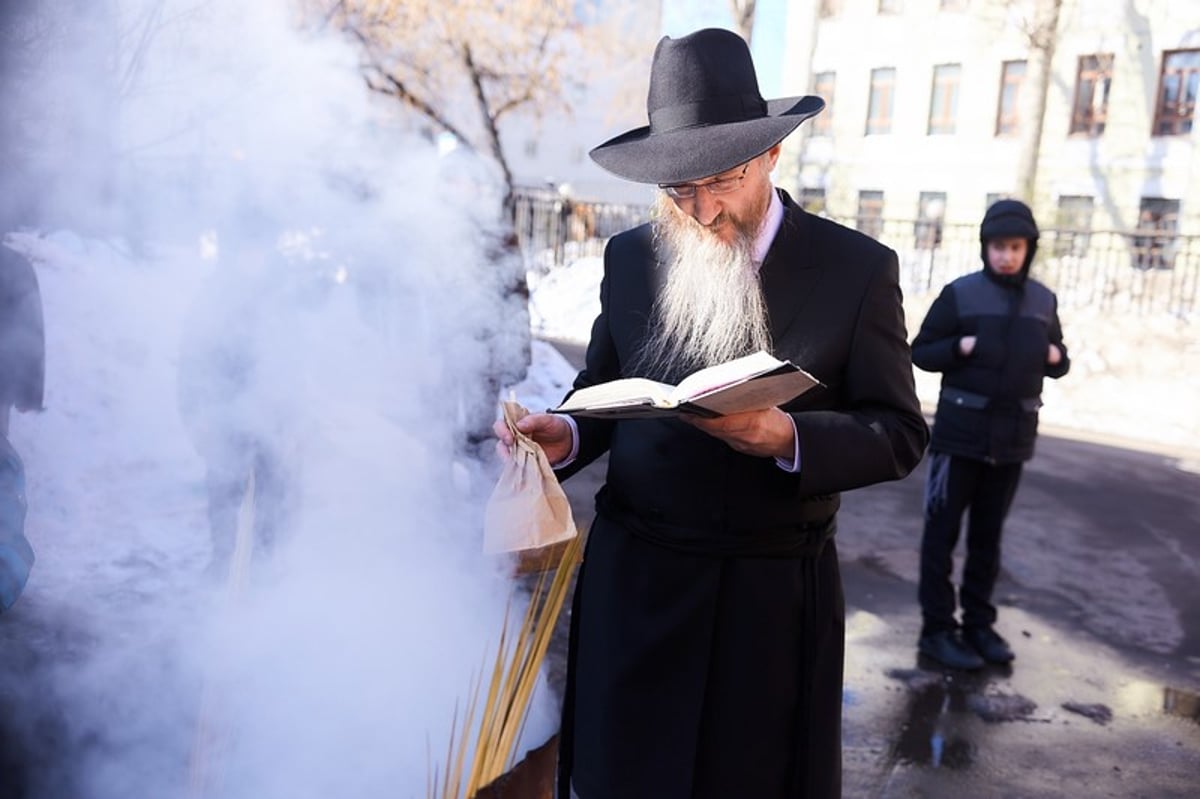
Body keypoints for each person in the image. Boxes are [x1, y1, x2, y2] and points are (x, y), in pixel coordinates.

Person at [494, 28, 928, 799]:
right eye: (677, 190)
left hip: (768, 600)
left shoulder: (856, 271)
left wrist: (786, 436)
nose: (700, 210)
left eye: (720, 181)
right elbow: (605, 384)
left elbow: (898, 434)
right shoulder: (632, 259)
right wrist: (566, 432)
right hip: (640, 583)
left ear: (769, 157)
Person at [911, 198, 1070, 671]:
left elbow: (1059, 354)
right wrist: (958, 346)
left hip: (1012, 440)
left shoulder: (1044, 301)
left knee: (988, 539)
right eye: (998, 246)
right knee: (940, 537)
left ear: (1029, 250)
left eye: (1016, 247)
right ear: (986, 248)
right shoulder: (961, 294)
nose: (1006, 255)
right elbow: (922, 351)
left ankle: (978, 624)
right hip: (959, 438)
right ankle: (937, 630)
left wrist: (1058, 358)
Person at [0, 240, 44, 613]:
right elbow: (31, 328)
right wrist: (29, 392)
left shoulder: (11, 265)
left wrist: (29, 390)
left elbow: (28, 328)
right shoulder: (12, 264)